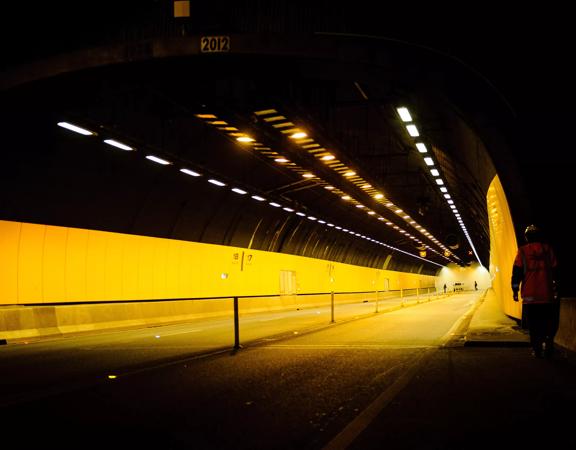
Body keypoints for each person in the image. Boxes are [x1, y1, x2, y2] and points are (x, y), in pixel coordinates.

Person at [511, 224, 559, 358]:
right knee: (548, 322)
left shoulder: (522, 251)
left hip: (530, 296)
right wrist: (556, 288)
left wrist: (515, 290)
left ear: (526, 238)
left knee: (533, 324)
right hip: (547, 294)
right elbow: (556, 270)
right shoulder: (547, 249)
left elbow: (517, 273)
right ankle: (548, 344)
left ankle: (536, 349)